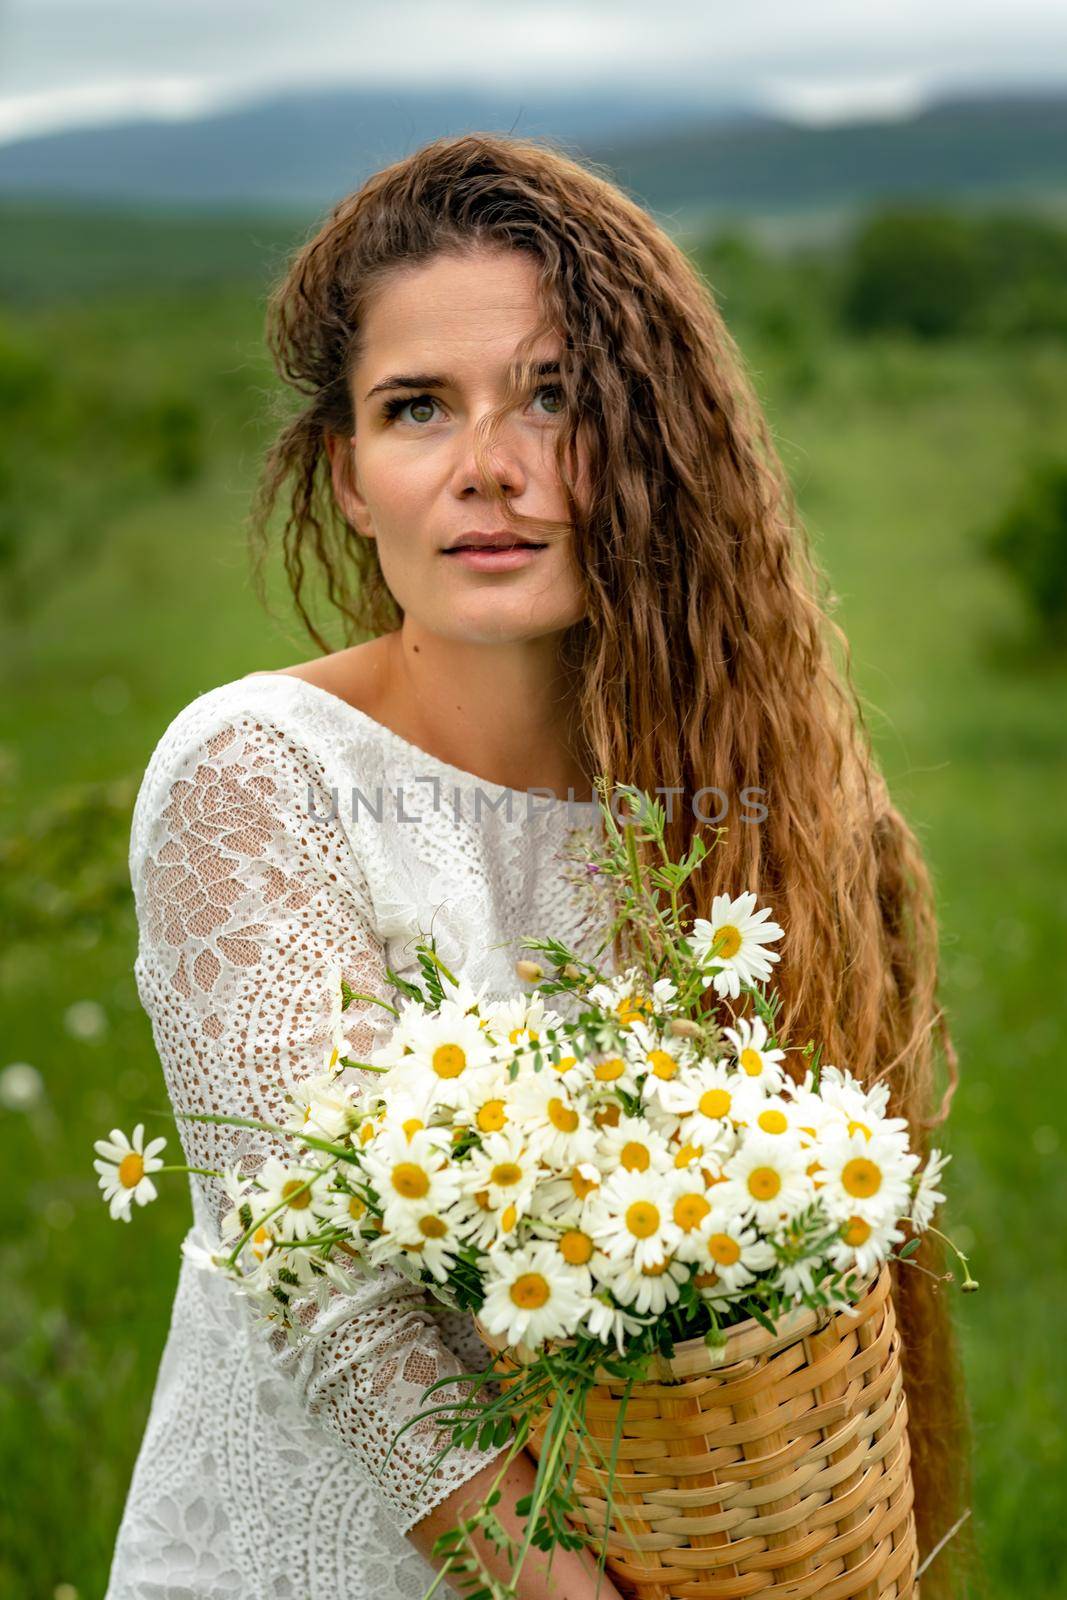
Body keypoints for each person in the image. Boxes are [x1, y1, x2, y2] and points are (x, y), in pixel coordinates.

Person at [106, 132, 971, 1600]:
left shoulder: (720, 786)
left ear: (650, 444)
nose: (488, 471)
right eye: (417, 409)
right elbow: (331, 1292)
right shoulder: (257, 771)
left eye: (555, 398)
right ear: (353, 472)